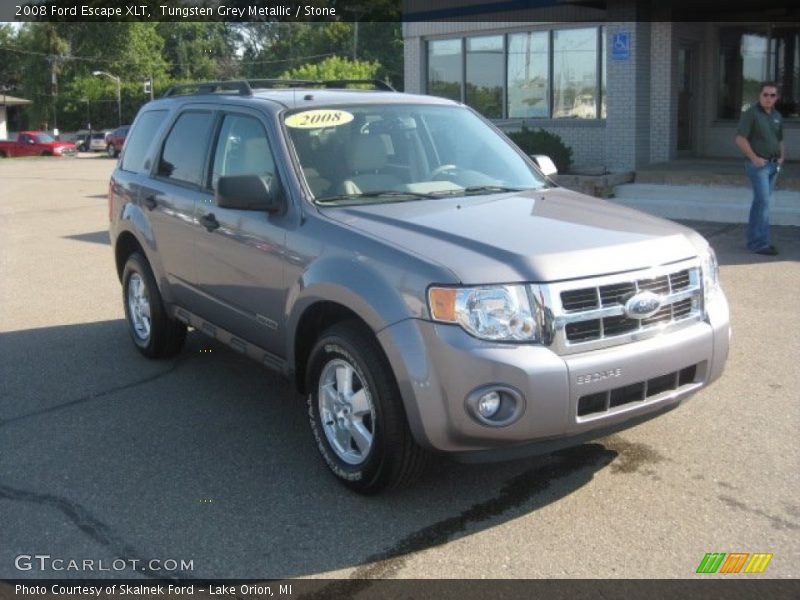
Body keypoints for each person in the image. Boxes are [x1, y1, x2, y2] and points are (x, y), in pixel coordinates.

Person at [735, 81, 785, 256]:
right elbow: (740, 139)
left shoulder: (777, 115)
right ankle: (759, 243)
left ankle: (756, 241)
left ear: (776, 98)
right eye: (765, 94)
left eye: (772, 95)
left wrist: (781, 157)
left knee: (762, 204)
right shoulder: (751, 114)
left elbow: (779, 139)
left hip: (773, 166)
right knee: (762, 203)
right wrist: (754, 158)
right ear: (760, 95)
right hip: (759, 166)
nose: (768, 98)